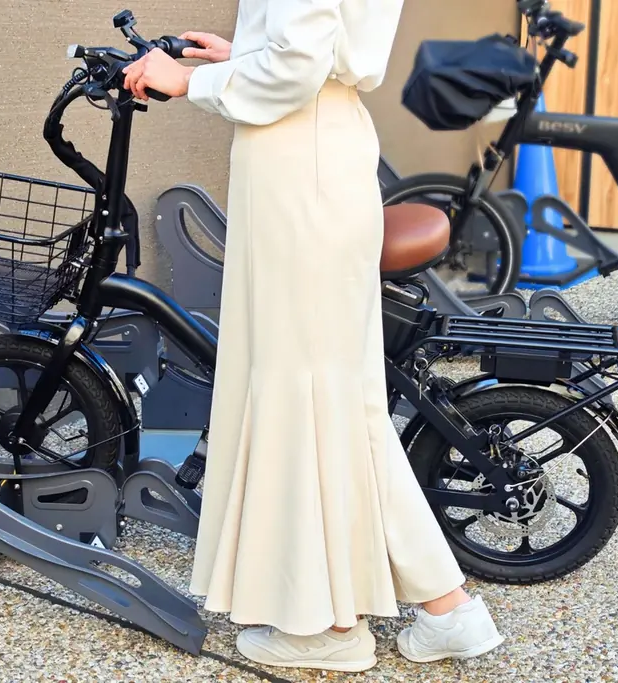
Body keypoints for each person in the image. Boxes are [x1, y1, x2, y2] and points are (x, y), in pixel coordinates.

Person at [122, 0, 504, 673]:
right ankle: (436, 608)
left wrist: (190, 81)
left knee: (307, 394)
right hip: (322, 148)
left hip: (299, 163)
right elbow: (316, 51)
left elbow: (296, 66)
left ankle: (333, 626)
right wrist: (242, 56)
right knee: (332, 395)